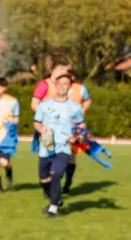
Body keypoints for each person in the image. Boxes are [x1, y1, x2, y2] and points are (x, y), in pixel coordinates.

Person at [31, 64, 90, 194]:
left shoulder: (80, 88)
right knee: (47, 158)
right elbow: (34, 104)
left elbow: (87, 101)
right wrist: (47, 119)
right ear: (57, 71)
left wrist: (81, 113)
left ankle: (66, 184)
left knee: (70, 155)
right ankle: (49, 185)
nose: (68, 75)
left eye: (70, 74)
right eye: (66, 72)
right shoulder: (45, 85)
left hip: (70, 128)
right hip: (48, 129)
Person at [33, 73, 85, 219]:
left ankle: (53, 209)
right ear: (55, 85)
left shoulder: (75, 107)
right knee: (44, 179)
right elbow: (36, 122)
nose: (62, 86)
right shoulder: (44, 105)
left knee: (56, 175)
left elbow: (81, 125)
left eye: (65, 84)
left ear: (69, 87)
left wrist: (77, 135)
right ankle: (55, 199)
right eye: (59, 83)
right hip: (46, 146)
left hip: (63, 147)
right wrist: (41, 129)